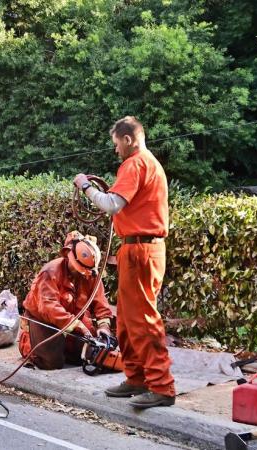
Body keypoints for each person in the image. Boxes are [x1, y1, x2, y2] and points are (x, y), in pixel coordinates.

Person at [73, 116, 175, 409]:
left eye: (116, 144)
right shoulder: (146, 163)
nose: (115, 150)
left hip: (142, 250)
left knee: (143, 319)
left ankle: (162, 387)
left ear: (128, 139)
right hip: (139, 249)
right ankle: (136, 378)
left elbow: (111, 205)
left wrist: (84, 186)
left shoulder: (135, 163)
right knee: (129, 320)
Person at [19, 231, 114, 370]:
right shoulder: (50, 272)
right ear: (69, 256)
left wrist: (104, 327)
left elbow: (100, 303)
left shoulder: (91, 274)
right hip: (44, 320)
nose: (80, 273)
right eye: (78, 269)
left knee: (90, 356)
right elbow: (48, 308)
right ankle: (30, 346)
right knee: (51, 362)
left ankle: (66, 348)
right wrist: (77, 325)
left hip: (74, 320)